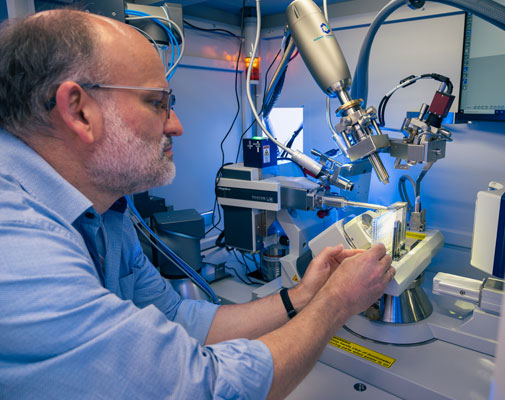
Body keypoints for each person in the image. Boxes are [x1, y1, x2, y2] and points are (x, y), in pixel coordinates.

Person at [0, 9, 394, 400]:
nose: (176, 125)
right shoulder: (18, 247)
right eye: (156, 102)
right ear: (78, 111)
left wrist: (303, 296)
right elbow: (201, 388)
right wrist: (337, 302)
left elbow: (176, 317)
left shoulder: (108, 213)